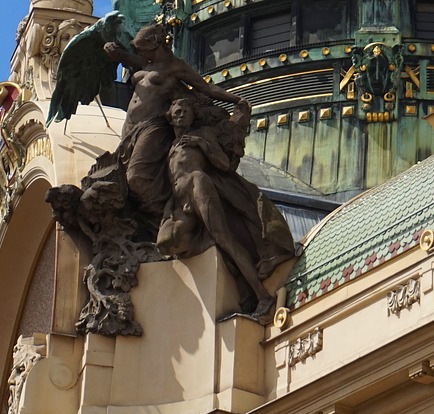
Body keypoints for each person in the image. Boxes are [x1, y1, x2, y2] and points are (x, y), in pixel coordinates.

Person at [159, 96, 295, 321]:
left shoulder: (202, 134)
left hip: (197, 185)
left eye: (185, 110)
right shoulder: (171, 147)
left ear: (193, 115)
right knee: (165, 242)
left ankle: (262, 295)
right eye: (177, 111)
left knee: (225, 240)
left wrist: (203, 145)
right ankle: (244, 287)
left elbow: (223, 163)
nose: (181, 114)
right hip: (179, 200)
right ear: (170, 117)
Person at [104, 22, 249, 225]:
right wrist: (117, 54)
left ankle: (167, 216)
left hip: (153, 126)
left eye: (142, 47)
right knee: (124, 180)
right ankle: (149, 221)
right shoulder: (146, 64)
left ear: (155, 43)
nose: (139, 52)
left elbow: (206, 88)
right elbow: (131, 60)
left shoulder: (175, 67)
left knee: (137, 176)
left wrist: (236, 100)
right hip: (130, 127)